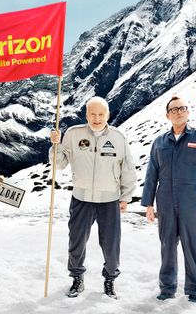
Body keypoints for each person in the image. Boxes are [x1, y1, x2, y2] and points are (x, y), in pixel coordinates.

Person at [141, 96, 196, 304]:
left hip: (193, 202)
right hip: (166, 202)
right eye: (174, 109)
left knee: (194, 246)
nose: (179, 111)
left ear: (187, 113)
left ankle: (195, 291)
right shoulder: (159, 142)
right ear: (167, 115)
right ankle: (167, 288)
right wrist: (149, 204)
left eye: (182, 108)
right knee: (167, 246)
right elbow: (151, 174)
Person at [50, 96, 137, 299]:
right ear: (86, 114)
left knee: (111, 244)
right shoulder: (73, 134)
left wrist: (125, 197)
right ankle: (77, 278)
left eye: (101, 114)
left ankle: (110, 280)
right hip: (81, 199)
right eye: (93, 114)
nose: (97, 118)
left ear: (107, 115)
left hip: (109, 200)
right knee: (76, 241)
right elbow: (60, 164)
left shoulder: (118, 137)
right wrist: (55, 146)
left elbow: (128, 169)